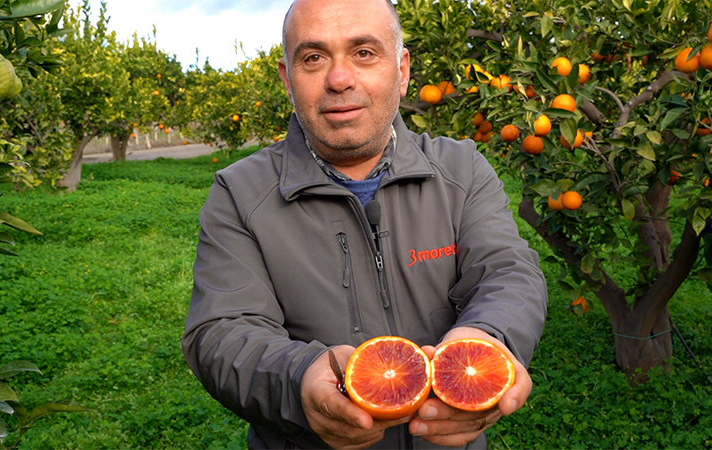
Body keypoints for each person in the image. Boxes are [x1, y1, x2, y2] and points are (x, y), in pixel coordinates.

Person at [181, 0, 548, 448]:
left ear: (402, 70)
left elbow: (507, 271)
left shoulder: (461, 169)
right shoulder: (240, 193)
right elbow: (221, 330)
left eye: (364, 53)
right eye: (313, 58)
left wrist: (487, 339)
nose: (339, 79)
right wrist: (298, 378)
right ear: (287, 79)